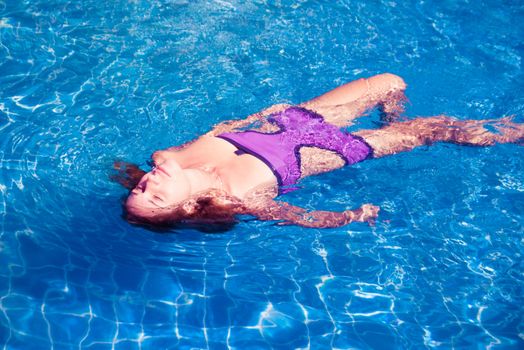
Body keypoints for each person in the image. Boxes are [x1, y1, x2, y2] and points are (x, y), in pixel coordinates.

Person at [113, 73, 523, 229]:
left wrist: (263, 113)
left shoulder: (166, 157)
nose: (148, 184)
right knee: (438, 130)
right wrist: (350, 216)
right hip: (339, 147)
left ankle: (393, 122)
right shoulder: (237, 198)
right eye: (156, 196)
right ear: (186, 208)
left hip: (299, 117)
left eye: (139, 190)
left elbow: (225, 128)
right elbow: (298, 216)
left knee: (392, 83)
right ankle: (516, 133)